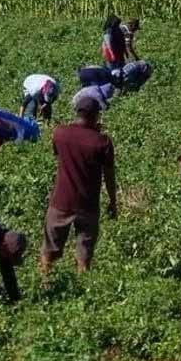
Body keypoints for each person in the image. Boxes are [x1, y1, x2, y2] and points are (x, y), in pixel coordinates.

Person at [40, 96, 117, 275]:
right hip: (88, 205)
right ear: (96, 115)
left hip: (61, 201)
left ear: (77, 113)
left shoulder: (60, 133)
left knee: (49, 248)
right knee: (84, 254)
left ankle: (44, 284)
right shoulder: (102, 142)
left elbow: (59, 154)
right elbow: (109, 175)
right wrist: (113, 202)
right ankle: (83, 289)